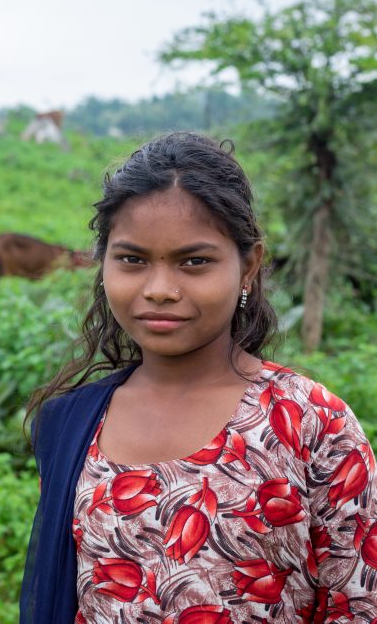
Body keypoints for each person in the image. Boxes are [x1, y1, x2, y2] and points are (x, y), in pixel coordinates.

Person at [20, 132, 377, 623]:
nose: (160, 289)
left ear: (248, 266)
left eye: (195, 262)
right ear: (102, 264)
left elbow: (359, 602)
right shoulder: (73, 423)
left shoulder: (311, 424)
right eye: (132, 260)